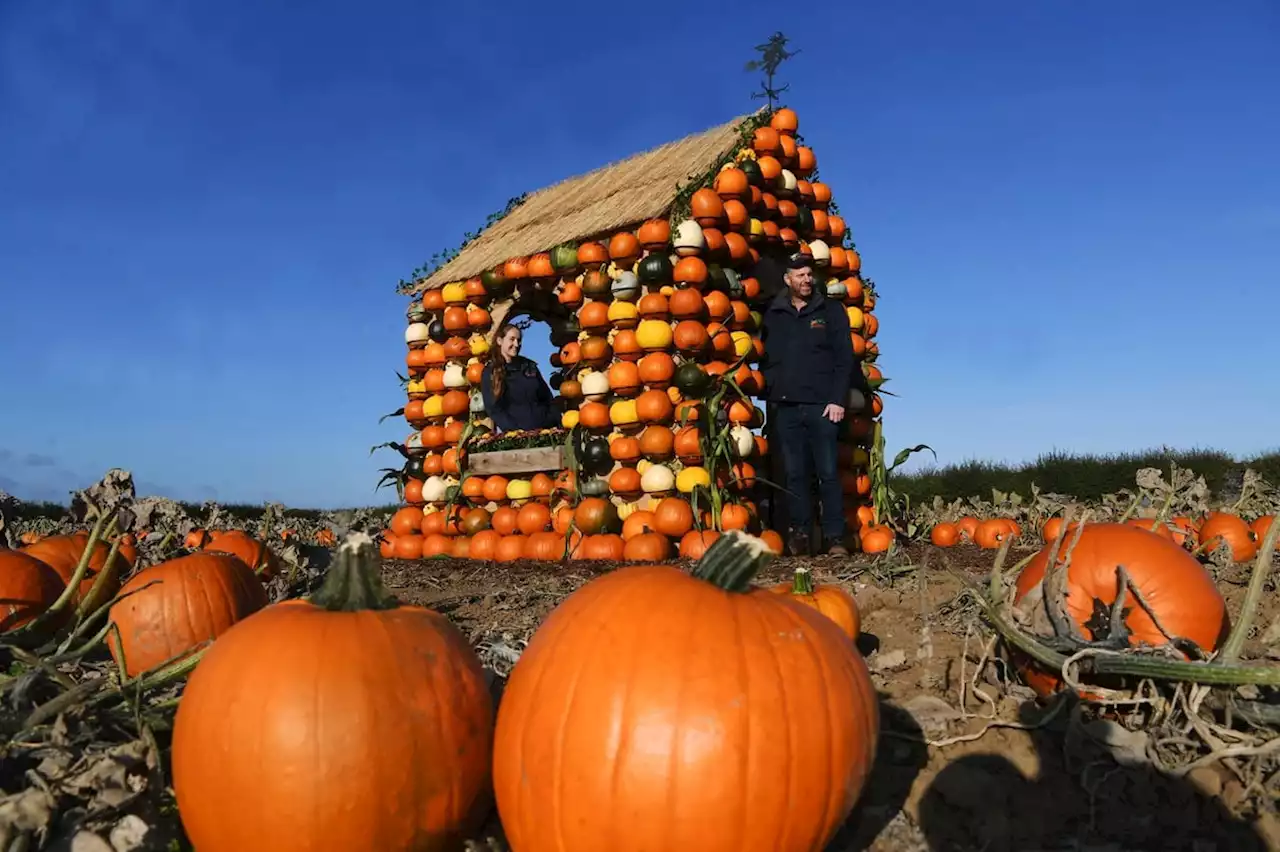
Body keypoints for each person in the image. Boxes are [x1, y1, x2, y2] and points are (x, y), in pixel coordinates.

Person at [759, 253, 855, 556]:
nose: (806, 280)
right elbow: (764, 355)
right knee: (795, 474)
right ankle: (800, 535)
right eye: (799, 275)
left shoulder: (830, 310)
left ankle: (835, 537)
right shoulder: (773, 313)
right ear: (788, 279)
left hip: (822, 405)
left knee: (827, 472)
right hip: (785, 405)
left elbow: (844, 358)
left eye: (808, 274)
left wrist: (837, 399)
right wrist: (772, 391)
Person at [480, 322, 555, 433]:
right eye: (512, 339)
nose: (516, 344)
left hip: (544, 432)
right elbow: (494, 408)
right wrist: (514, 431)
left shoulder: (529, 366)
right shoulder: (491, 372)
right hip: (517, 437)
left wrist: (550, 421)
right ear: (500, 341)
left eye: (519, 340)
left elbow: (547, 398)